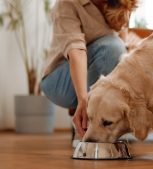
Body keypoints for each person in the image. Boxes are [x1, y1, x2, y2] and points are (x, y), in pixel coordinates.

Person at [40, 0, 137, 139]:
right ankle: (87, 129)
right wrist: (84, 99)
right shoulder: (66, 3)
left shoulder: (122, 3)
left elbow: (122, 45)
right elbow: (76, 51)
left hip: (94, 70)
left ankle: (98, 128)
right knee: (112, 48)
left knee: (117, 48)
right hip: (59, 80)